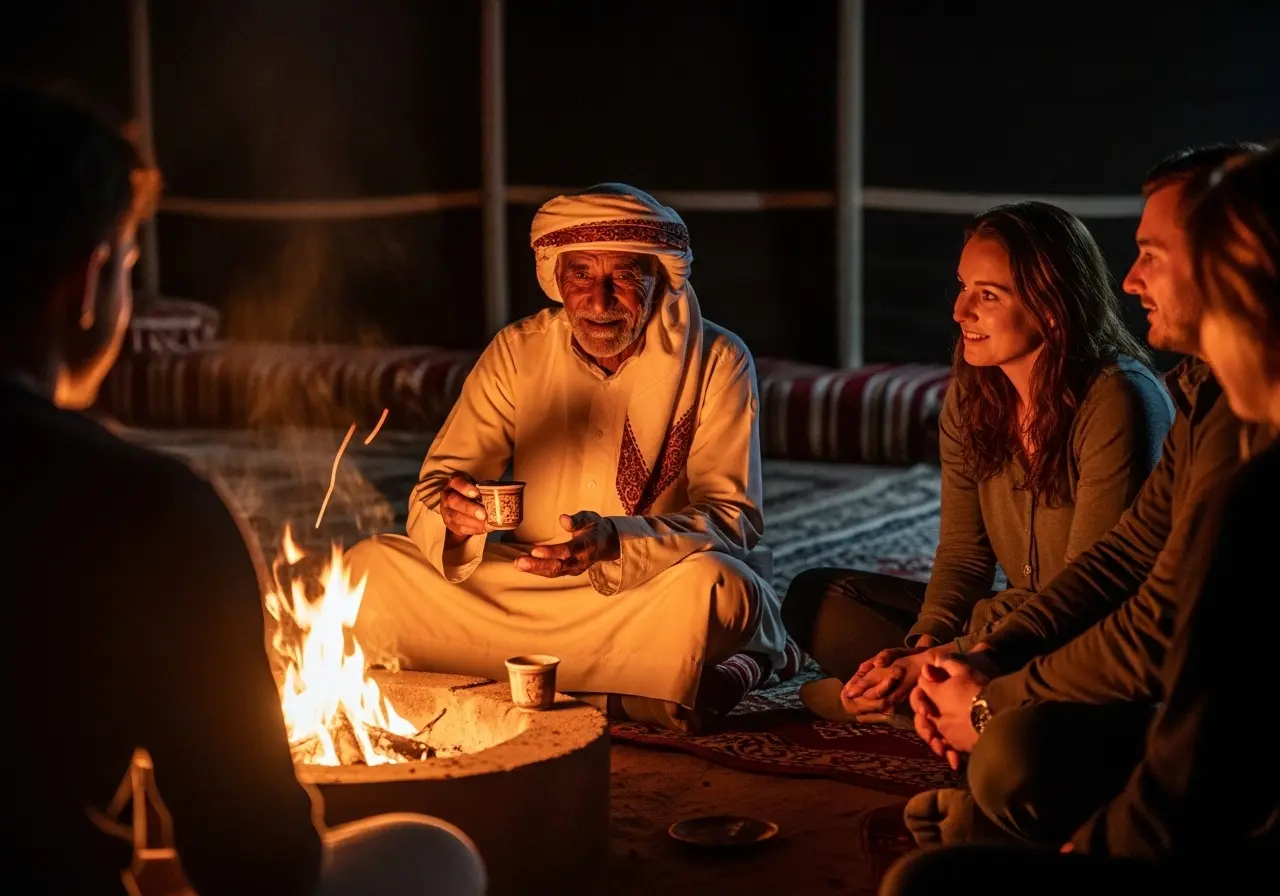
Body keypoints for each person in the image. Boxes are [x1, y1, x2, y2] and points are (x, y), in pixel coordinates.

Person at [3, 86, 484, 895]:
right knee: (437, 858)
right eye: (126, 265)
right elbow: (262, 867)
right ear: (88, 284)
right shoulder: (149, 512)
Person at [883, 144, 1280, 896]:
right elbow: (1121, 558)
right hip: (1096, 674)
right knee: (827, 602)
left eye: (1152, 255)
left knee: (994, 781)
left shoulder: (1161, 410)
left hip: (1208, 781)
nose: (1131, 280)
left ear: (1236, 269)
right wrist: (969, 653)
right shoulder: (1204, 394)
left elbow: (1162, 634)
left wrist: (988, 693)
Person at [346, 184, 788, 732]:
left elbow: (731, 517)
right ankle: (635, 694)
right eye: (581, 275)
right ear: (557, 278)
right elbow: (439, 483)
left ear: (660, 280)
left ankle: (509, 677)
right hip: (521, 579)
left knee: (719, 590)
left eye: (624, 276)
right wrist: (456, 517)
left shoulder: (718, 359)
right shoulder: (518, 350)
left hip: (644, 588)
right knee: (371, 569)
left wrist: (615, 539)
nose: (598, 302)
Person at [783, 201, 1172, 719]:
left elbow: (1090, 591)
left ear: (1051, 306)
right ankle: (939, 703)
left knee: (1054, 702)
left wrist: (946, 660)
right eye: (963, 287)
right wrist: (926, 645)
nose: (960, 312)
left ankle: (921, 706)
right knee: (818, 598)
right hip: (1003, 626)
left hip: (1088, 635)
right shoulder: (972, 396)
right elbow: (965, 553)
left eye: (987, 295)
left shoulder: (1117, 399)